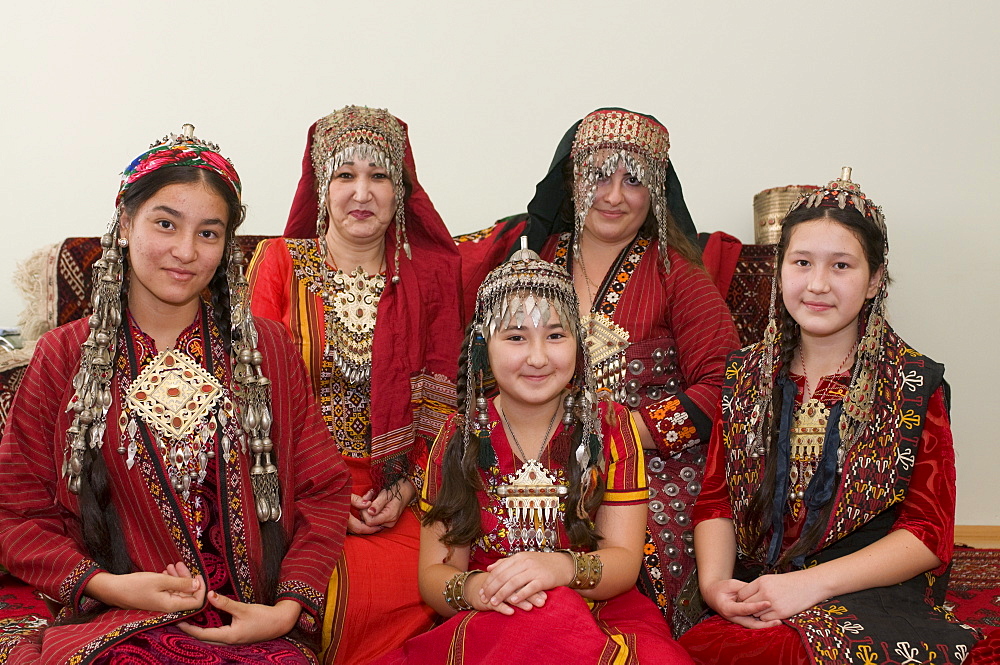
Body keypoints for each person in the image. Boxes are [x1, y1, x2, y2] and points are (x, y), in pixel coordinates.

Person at [0, 125, 351, 663]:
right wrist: (108, 586)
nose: (185, 252)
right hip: (118, 623)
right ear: (124, 222)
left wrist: (284, 610)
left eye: (209, 233)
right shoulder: (63, 355)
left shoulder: (267, 351)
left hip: (252, 625)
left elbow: (322, 491)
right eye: (166, 224)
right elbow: (15, 511)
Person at [678, 169, 981, 663]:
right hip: (761, 583)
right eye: (802, 262)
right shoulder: (745, 375)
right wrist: (716, 585)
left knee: (780, 652)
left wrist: (808, 586)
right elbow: (717, 501)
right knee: (698, 648)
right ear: (780, 270)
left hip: (865, 585)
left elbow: (927, 534)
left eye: (841, 265)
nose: (817, 284)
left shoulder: (911, 383)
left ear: (874, 281)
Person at [457, 108, 739, 634]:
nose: (613, 195)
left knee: (635, 542)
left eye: (633, 180)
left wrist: (624, 433)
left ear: (655, 190)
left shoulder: (675, 271)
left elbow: (725, 385)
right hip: (530, 450)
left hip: (651, 466)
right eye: (598, 176)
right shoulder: (534, 261)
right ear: (573, 179)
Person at [375, 244, 694, 664]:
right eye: (516, 337)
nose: (539, 357)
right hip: (496, 612)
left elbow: (623, 562)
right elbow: (435, 575)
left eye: (556, 335)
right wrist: (477, 590)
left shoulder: (611, 427)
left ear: (579, 342)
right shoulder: (457, 435)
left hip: (602, 615)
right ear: (482, 346)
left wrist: (560, 570)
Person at [247, 106, 463, 664]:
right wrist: (319, 492)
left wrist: (409, 487)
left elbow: (448, 401)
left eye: (379, 175)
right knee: (332, 594)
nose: (361, 192)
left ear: (401, 191)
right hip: (294, 488)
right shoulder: (281, 263)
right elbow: (248, 391)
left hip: (406, 489)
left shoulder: (434, 277)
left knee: (415, 588)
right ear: (322, 187)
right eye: (345, 175)